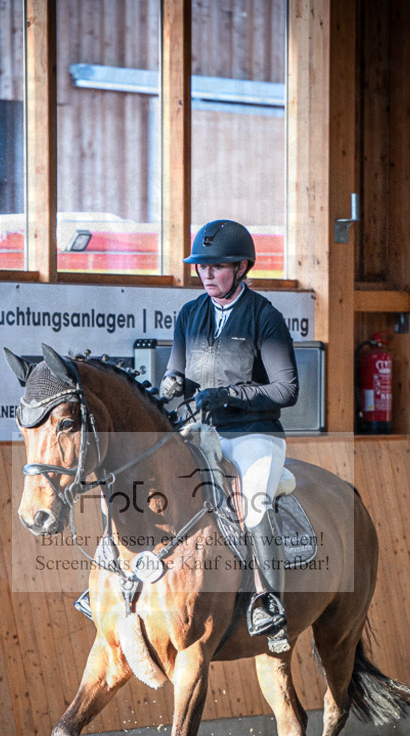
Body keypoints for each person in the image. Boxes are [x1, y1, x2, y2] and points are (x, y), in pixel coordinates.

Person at [160, 219, 298, 653]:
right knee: (151, 484)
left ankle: (270, 605)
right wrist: (170, 385)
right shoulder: (189, 315)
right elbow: (174, 373)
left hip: (254, 434)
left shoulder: (264, 316)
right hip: (203, 432)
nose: (206, 274)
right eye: (201, 267)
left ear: (241, 268)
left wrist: (228, 395)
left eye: (216, 267)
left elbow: (286, 389)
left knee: (254, 508)